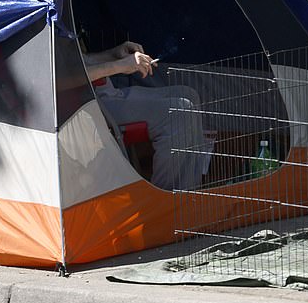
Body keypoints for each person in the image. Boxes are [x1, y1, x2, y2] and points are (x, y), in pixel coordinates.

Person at [82, 40, 211, 191]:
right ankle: (170, 199)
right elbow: (61, 79)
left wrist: (114, 54)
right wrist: (119, 66)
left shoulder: (58, 23)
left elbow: (80, 61)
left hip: (107, 94)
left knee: (189, 94)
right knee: (179, 112)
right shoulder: (47, 19)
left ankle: (190, 190)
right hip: (88, 108)